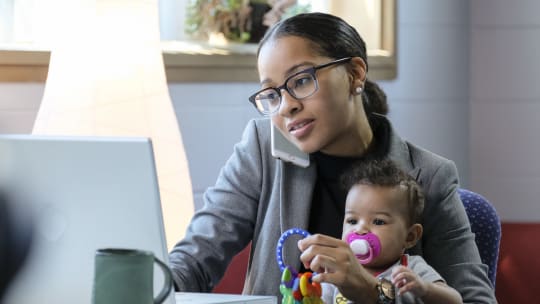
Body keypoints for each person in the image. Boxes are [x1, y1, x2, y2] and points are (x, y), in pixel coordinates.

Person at [169, 12, 496, 303]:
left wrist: (371, 291)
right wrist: (144, 285)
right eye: (272, 94)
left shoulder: (429, 175)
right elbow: (196, 259)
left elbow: (474, 300)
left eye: (301, 81)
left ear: (355, 74)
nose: (286, 106)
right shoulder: (263, 148)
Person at [317, 159, 461, 304]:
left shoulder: (410, 269)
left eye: (378, 221)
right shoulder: (338, 270)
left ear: (410, 236)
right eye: (352, 221)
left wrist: (425, 289)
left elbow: (455, 301)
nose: (360, 229)